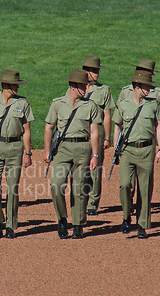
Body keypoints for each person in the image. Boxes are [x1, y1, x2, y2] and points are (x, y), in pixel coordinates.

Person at [44, 69, 100, 239]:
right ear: (73, 86)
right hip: (62, 149)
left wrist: (95, 155)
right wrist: (47, 150)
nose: (86, 89)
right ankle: (62, 219)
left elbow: (95, 132)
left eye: (87, 85)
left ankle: (78, 224)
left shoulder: (90, 106)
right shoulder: (58, 104)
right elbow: (49, 127)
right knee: (56, 185)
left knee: (79, 188)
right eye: (83, 86)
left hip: (83, 149)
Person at [0, 69, 33, 239]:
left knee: (13, 188)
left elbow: (26, 130)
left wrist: (28, 153)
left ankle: (10, 225)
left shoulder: (22, 103)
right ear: (5, 85)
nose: (17, 88)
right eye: (14, 85)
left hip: (15, 148)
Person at [113, 70, 160, 239]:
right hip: (128, 150)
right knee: (125, 185)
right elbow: (117, 127)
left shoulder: (153, 104)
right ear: (136, 86)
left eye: (150, 85)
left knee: (145, 188)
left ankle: (142, 224)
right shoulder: (123, 103)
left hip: (147, 150)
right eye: (146, 86)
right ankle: (126, 216)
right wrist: (116, 149)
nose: (149, 89)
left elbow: (158, 126)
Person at [74, 56, 114, 216]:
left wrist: (107, 138)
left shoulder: (104, 90)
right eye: (93, 71)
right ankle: (81, 198)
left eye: (97, 71)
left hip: (98, 131)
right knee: (81, 167)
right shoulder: (76, 88)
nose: (96, 74)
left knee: (95, 169)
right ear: (85, 71)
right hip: (81, 132)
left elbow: (107, 115)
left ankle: (92, 202)